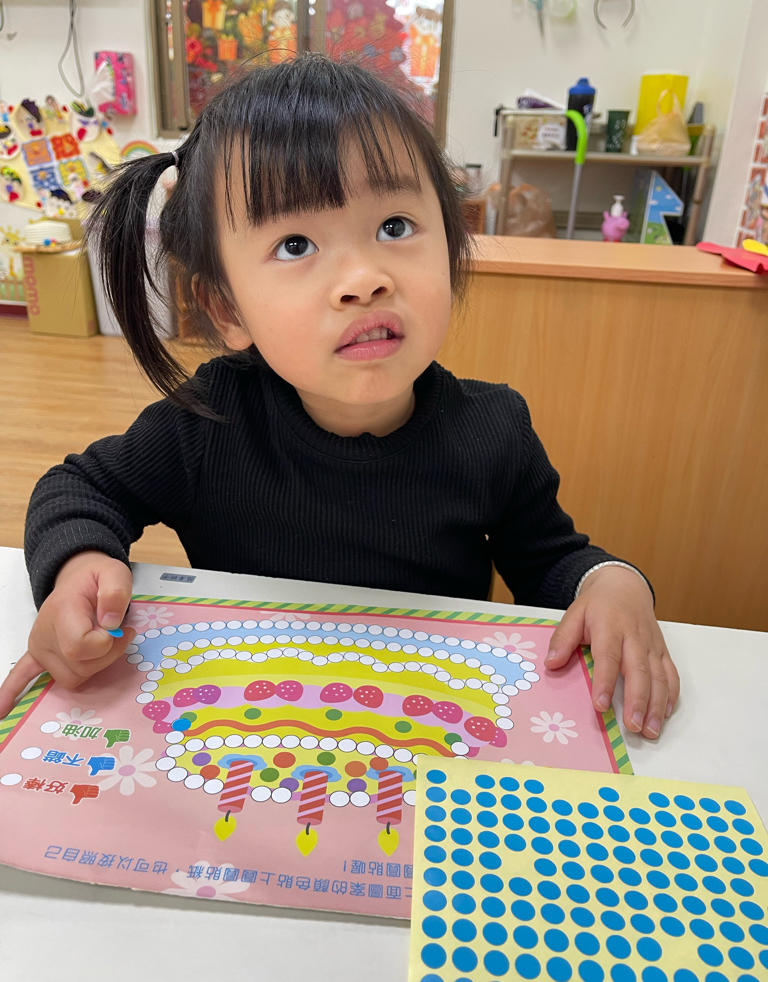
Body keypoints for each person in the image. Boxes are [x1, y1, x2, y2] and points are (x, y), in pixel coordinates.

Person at [0, 55, 679, 737]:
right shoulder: (207, 423)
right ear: (227, 308)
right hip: (254, 721)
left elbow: (551, 562)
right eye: (296, 244)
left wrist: (611, 582)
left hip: (427, 727)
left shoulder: (494, 430)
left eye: (394, 227)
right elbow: (79, 488)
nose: (363, 279)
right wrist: (82, 563)